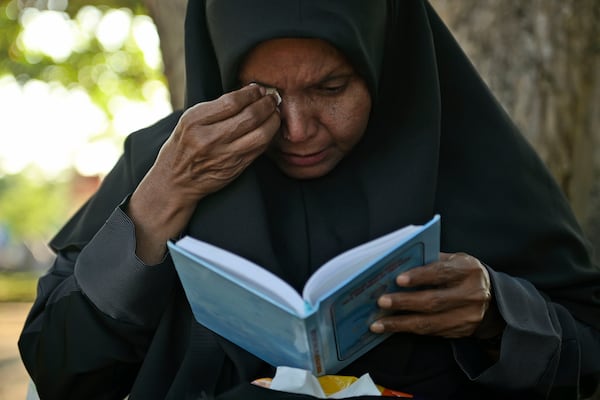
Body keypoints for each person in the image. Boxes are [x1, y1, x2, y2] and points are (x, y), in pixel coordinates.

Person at [18, 1, 600, 399]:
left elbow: (589, 348)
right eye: (263, 94)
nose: (297, 130)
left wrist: (499, 316)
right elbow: (59, 372)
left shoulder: (478, 165)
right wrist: (156, 205)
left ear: (385, 62)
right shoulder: (169, 163)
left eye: (330, 88)